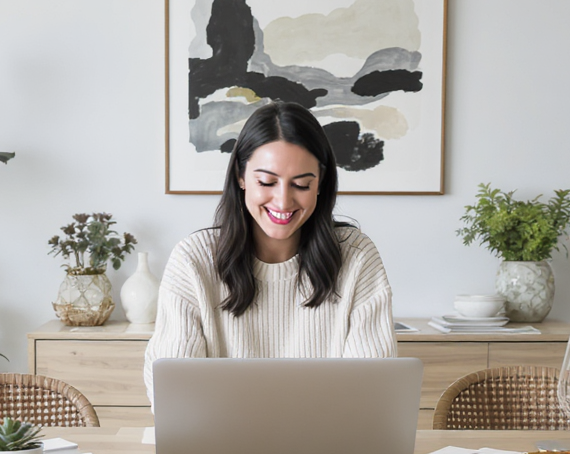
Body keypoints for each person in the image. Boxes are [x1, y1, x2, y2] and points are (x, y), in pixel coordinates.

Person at [143, 101, 396, 405]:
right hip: (221, 447)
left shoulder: (356, 256)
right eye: (266, 182)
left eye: (301, 185)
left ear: (320, 184)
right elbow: (173, 395)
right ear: (241, 177)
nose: (283, 201)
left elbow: (370, 395)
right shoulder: (193, 260)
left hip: (327, 448)